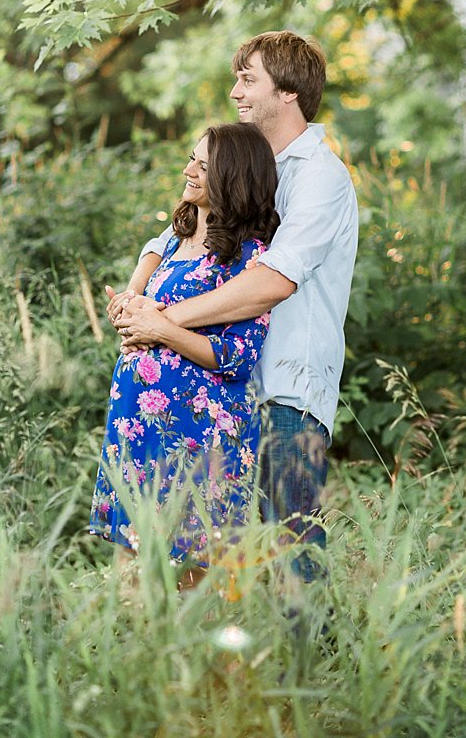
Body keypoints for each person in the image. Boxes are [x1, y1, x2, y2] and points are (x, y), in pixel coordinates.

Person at [115, 31, 359, 583]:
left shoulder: (320, 177)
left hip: (285, 391)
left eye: (249, 80)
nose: (235, 92)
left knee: (291, 547)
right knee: (214, 550)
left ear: (290, 91)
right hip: (222, 391)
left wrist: (163, 320)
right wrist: (137, 296)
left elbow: (272, 282)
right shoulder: (246, 166)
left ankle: (310, 665)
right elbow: (175, 234)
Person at [90, 122, 279, 575]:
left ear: (231, 176)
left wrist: (158, 328)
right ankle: (141, 644)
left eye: (201, 163)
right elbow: (145, 311)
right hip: (140, 423)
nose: (187, 169)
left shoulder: (249, 258)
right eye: (191, 158)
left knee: (193, 567)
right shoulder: (177, 240)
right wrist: (128, 311)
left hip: (198, 431)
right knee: (136, 563)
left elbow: (237, 356)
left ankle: (191, 646)